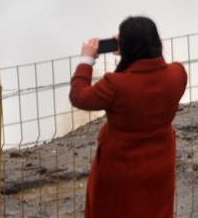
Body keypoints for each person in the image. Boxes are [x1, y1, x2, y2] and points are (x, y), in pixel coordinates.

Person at [69, 16, 187, 218]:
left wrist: (86, 60)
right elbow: (155, 72)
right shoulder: (178, 74)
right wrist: (133, 52)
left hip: (120, 167)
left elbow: (79, 96)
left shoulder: (114, 85)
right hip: (161, 163)